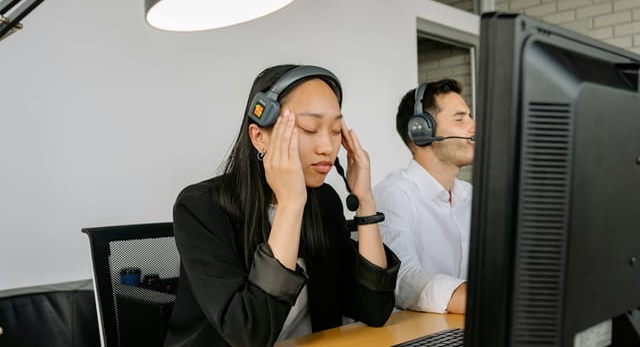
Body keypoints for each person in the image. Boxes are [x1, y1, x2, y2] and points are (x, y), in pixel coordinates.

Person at [164, 64, 400, 347]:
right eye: (309, 129)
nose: (327, 146)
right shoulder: (200, 208)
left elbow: (375, 310)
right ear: (259, 136)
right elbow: (250, 334)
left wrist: (365, 202)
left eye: (336, 130)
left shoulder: (324, 202)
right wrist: (290, 204)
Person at [374, 79, 475, 314]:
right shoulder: (394, 195)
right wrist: (478, 299)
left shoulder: (471, 196)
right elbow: (404, 280)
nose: (473, 126)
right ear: (421, 130)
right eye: (460, 119)